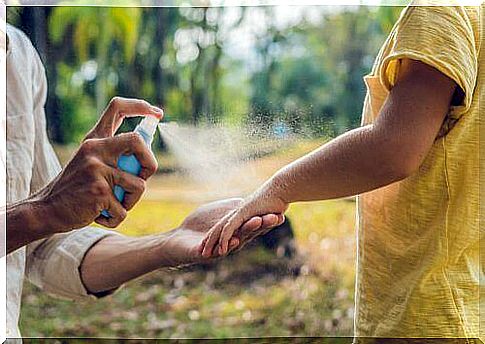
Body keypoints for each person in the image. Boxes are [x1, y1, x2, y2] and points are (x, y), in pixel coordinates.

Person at [201, 2, 482, 340]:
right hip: (466, 299)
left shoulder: (441, 11)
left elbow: (393, 150)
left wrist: (278, 188)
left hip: (425, 307)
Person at [2, 24, 284, 338]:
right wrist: (43, 211)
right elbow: (38, 218)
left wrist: (167, 244)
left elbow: (45, 246)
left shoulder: (19, 57)